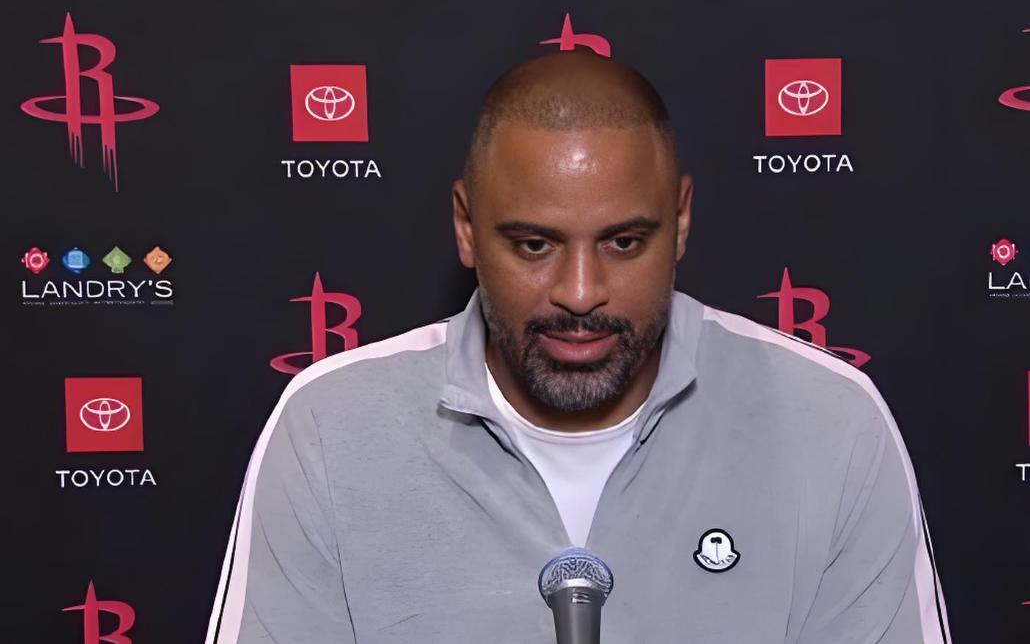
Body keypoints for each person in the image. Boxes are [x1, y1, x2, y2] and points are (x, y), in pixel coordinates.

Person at [206, 49, 951, 643]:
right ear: (466, 227)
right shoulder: (331, 429)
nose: (581, 292)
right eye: (534, 244)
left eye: (624, 242)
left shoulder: (830, 424)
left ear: (680, 223)